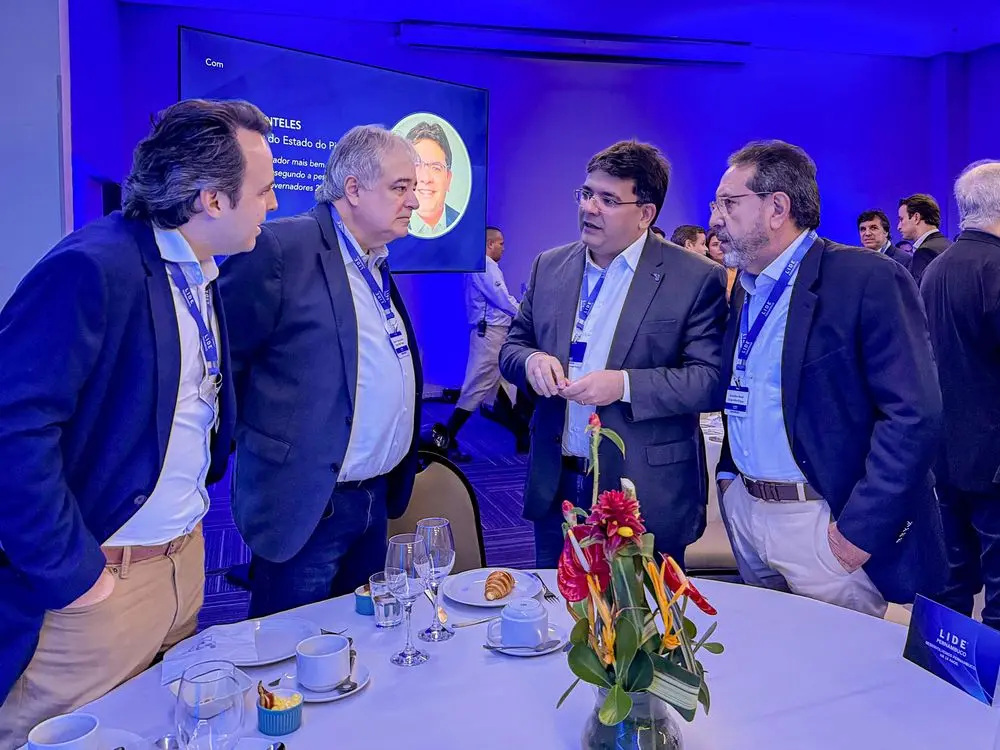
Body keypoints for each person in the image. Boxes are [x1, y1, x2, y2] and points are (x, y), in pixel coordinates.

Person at [0, 99, 274, 744]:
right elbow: (12, 427)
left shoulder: (200, 270)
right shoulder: (94, 267)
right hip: (104, 583)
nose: (273, 204)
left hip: (181, 562)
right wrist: (75, 575)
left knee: (156, 729)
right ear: (212, 199)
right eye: (264, 190)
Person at [711, 140, 946, 617]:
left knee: (844, 660)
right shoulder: (747, 288)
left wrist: (859, 530)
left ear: (777, 208)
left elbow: (913, 415)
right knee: (767, 652)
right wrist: (731, 485)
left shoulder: (865, 278)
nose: (716, 218)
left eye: (729, 203)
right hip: (748, 512)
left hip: (821, 522)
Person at [219, 125, 423, 618]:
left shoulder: (373, 261)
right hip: (307, 502)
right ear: (353, 188)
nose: (415, 202)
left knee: (362, 643)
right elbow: (226, 362)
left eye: (414, 188)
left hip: (372, 498)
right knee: (291, 651)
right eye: (400, 187)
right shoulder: (280, 248)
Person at [499, 139, 727, 568]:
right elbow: (512, 347)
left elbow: (710, 380)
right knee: (558, 603)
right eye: (586, 194)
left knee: (641, 609)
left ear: (645, 214)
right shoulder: (549, 265)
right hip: (557, 483)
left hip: (643, 490)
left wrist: (623, 385)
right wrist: (530, 361)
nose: (590, 208)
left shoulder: (694, 278)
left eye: (608, 200)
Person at [921, 160, 1000, 631]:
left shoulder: (936, 267)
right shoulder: (995, 268)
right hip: (992, 456)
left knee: (951, 580)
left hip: (946, 450)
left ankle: (944, 668)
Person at [435, 225, 520, 462]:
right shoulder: (485, 266)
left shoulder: (480, 265)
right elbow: (503, 300)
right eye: (501, 243)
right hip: (490, 335)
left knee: (504, 385)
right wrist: (526, 314)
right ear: (490, 244)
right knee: (476, 388)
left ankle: (523, 436)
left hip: (493, 334)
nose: (504, 248)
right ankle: (446, 438)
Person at [406, 121, 460, 237]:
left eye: (436, 168)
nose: (426, 179)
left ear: (448, 179)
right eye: (417, 166)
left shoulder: (465, 225)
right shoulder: (387, 224)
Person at [898, 193, 951, 284]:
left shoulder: (925, 252)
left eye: (901, 219)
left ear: (916, 217)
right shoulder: (949, 245)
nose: (898, 227)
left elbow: (920, 291)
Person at [706, 228, 737, 298]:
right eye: (715, 244)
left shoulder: (738, 270)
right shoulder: (705, 272)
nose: (721, 247)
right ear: (707, 249)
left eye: (723, 243)